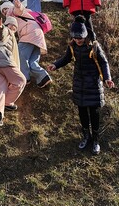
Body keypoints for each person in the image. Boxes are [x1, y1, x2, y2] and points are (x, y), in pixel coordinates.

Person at [48, 16, 114, 154]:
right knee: (82, 112)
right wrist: (55, 65)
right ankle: (86, 136)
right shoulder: (72, 46)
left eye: (81, 38)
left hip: (94, 84)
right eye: (76, 38)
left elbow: (104, 62)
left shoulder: (94, 46)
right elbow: (66, 58)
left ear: (85, 35)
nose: (78, 40)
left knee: (94, 113)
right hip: (79, 83)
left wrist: (107, 78)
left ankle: (96, 140)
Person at [0, 16, 27, 129]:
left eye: (15, 26)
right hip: (4, 61)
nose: (13, 27)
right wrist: (1, 27)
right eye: (11, 25)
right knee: (21, 81)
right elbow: (2, 33)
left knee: (0, 88)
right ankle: (7, 103)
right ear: (7, 25)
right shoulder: (7, 32)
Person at [0, 0, 52, 88]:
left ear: (9, 7)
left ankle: (25, 78)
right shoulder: (22, 14)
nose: (5, 11)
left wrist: (18, 5)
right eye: (3, 11)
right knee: (32, 61)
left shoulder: (12, 12)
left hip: (29, 34)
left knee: (19, 55)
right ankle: (44, 78)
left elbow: (19, 9)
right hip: (37, 35)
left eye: (5, 8)